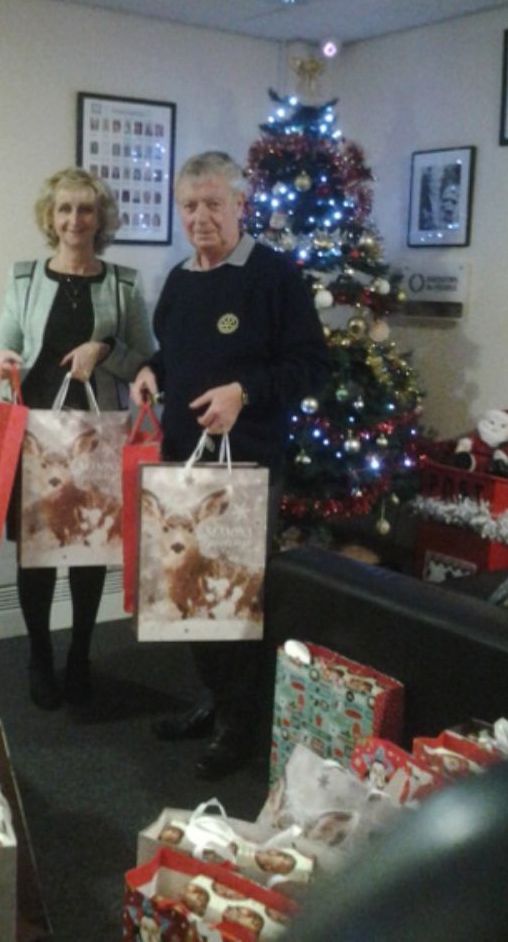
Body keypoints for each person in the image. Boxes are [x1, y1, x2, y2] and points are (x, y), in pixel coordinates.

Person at [130, 151, 330, 780]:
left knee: (235, 601)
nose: (201, 217)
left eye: (214, 203)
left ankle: (239, 725)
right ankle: (216, 701)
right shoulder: (182, 280)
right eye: (190, 205)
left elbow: (308, 368)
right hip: (182, 465)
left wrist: (244, 392)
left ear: (241, 204)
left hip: (245, 468)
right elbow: (176, 354)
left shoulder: (274, 277)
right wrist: (150, 371)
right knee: (186, 597)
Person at [0, 166, 155, 710]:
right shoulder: (25, 277)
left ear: (100, 218)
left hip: (97, 437)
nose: (74, 220)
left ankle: (80, 654)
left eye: (85, 209)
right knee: (36, 556)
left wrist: (104, 350)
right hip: (35, 437)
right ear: (50, 216)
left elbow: (147, 364)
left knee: (88, 551)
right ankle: (40, 654)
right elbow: (0, 345)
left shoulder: (123, 284)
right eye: (64, 209)